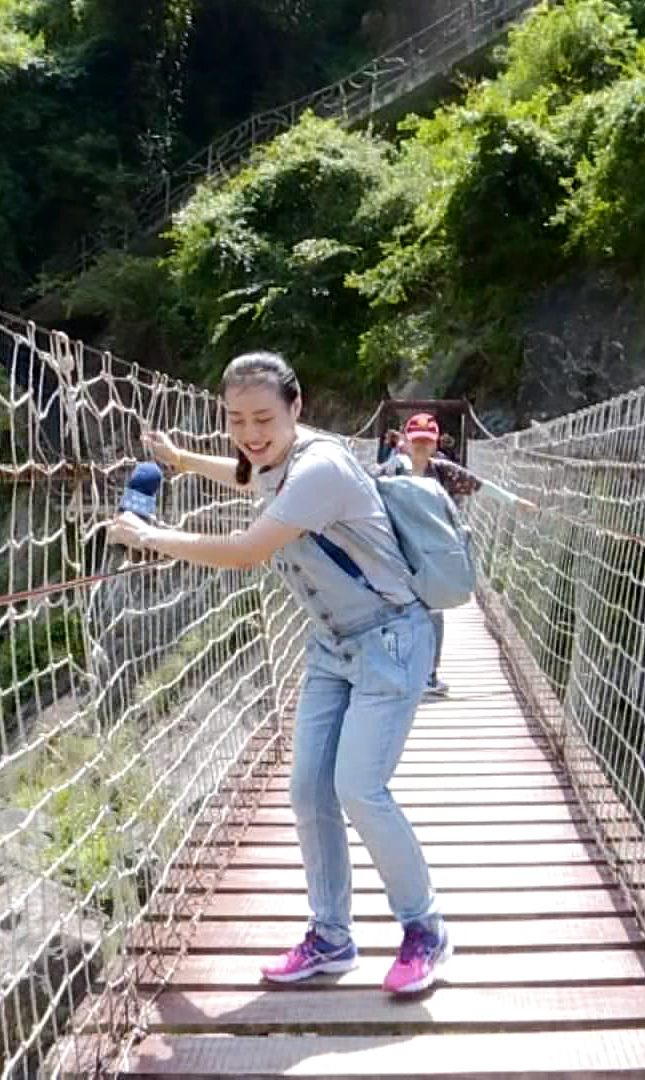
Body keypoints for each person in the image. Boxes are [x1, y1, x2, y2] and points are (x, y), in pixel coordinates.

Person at [108, 351, 452, 995]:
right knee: (307, 792)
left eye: (263, 418)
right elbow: (248, 475)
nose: (249, 433)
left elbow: (246, 551)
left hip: (389, 641)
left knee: (359, 789)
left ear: (297, 407)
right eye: (236, 419)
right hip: (330, 644)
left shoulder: (319, 468)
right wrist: (183, 460)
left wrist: (149, 536)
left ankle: (424, 928)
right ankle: (331, 937)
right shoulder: (282, 456)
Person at [377, 413, 478, 699]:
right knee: (394, 609)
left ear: (435, 443)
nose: (421, 447)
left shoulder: (443, 471)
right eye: (416, 441)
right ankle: (397, 671)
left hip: (432, 554)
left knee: (432, 611)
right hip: (397, 550)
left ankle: (428, 675)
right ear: (405, 441)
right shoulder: (388, 471)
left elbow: (479, 485)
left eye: (426, 441)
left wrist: (516, 501)